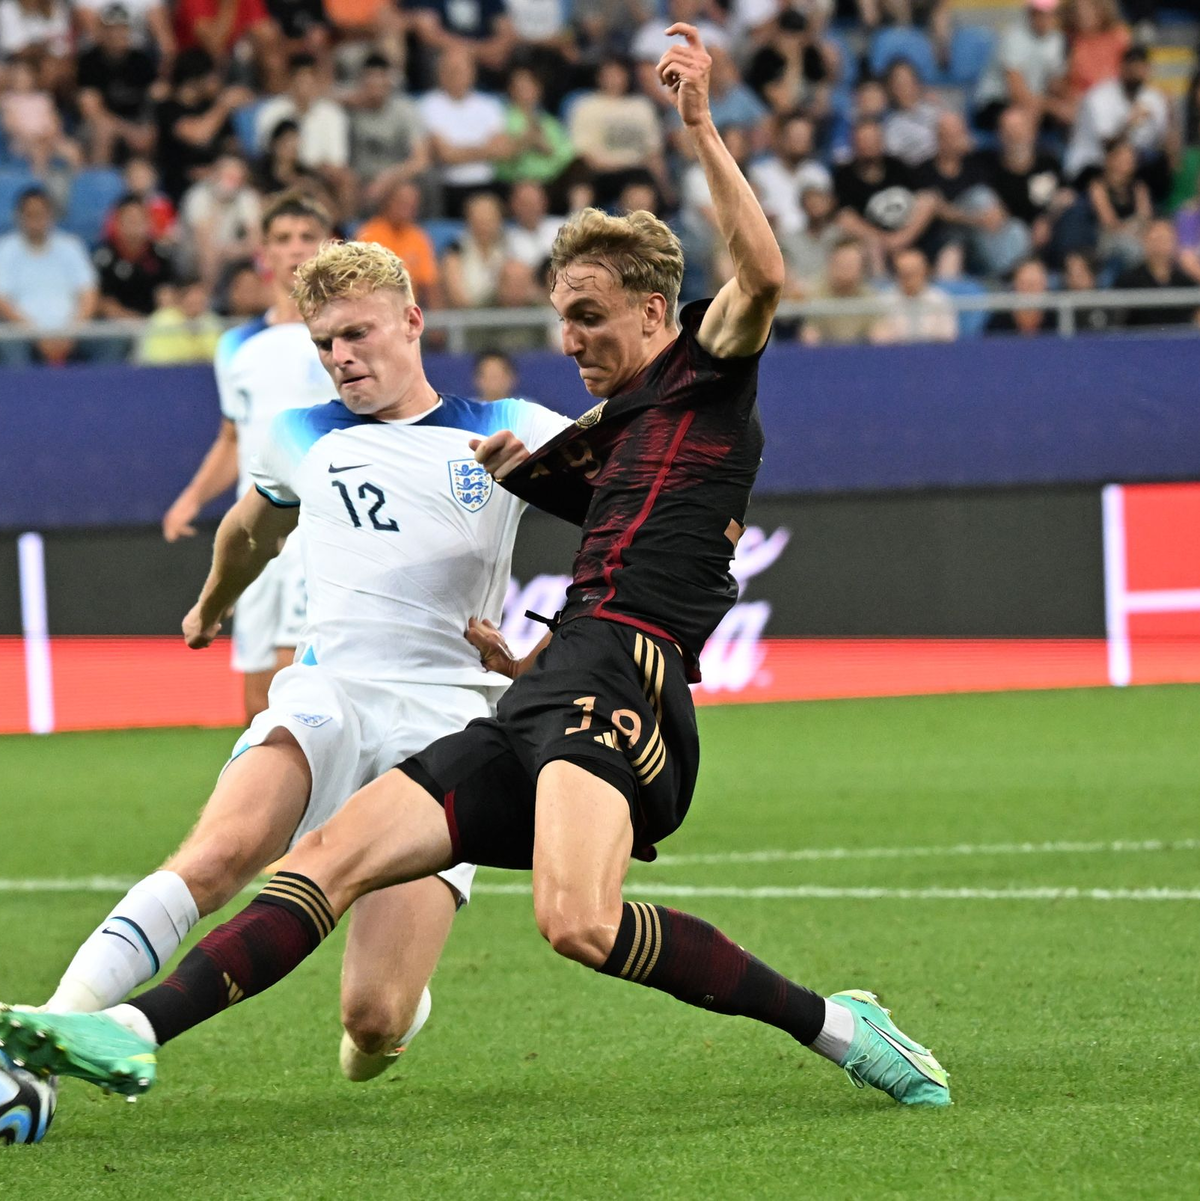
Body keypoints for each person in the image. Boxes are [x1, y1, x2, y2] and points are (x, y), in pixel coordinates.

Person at [5, 24, 951, 1113]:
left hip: (627, 681)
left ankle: (838, 1024)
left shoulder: (706, 377)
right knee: (329, 855)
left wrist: (698, 127)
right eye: (561, 320)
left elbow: (765, 274)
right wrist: (534, 632)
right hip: (547, 681)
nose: (572, 338)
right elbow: (617, 541)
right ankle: (123, 1026)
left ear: (657, 312)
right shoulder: (599, 432)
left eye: (590, 317)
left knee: (578, 922)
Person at [3, 230, 572, 1113]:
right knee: (219, 853)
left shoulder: (512, 426)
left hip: (450, 726)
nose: (342, 358)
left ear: (412, 321)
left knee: (374, 1017)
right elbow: (249, 530)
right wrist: (212, 601)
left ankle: (396, 1013)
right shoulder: (298, 435)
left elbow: (638, 514)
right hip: (329, 689)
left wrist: (557, 643)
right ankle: (42, 1037)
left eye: (359, 333)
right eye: (325, 343)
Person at [161, 192, 334, 723]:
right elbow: (232, 439)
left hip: (318, 526)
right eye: (283, 239)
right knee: (256, 697)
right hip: (253, 529)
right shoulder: (237, 345)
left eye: (307, 237)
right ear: (265, 253)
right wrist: (190, 498)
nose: (296, 249)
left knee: (297, 686)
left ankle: (317, 804)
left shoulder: (342, 335)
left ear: (327, 245)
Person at [0, 187, 100, 368]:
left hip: (72, 331)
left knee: (109, 342)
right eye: (30, 215)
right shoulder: (5, 249)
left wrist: (71, 333)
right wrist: (36, 335)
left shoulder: (71, 246)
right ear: (19, 216)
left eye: (40, 214)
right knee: (11, 349)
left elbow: (89, 293)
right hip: (22, 334)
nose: (36, 221)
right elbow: (2, 301)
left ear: (50, 215)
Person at [870, 246, 957, 343]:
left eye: (914, 272)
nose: (909, 278)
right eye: (904, 273)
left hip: (933, 354)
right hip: (896, 354)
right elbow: (879, 338)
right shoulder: (884, 301)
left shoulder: (940, 299)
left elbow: (947, 337)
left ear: (925, 271)